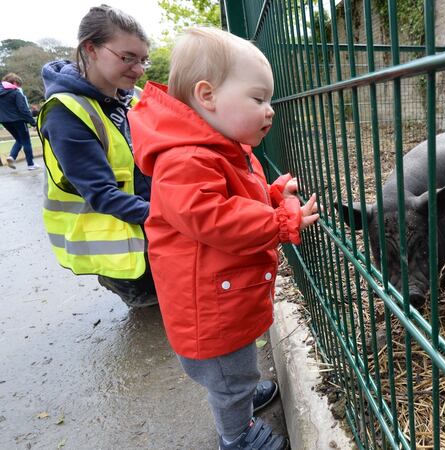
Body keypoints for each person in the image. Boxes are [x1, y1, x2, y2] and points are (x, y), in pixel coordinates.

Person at [128, 27, 319, 450]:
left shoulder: (217, 148)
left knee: (235, 367)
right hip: (208, 309)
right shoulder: (186, 158)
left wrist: (270, 196)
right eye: (258, 99)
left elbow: (233, 199)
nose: (270, 111)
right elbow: (215, 218)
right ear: (207, 95)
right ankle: (237, 435)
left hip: (223, 295)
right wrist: (281, 222)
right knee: (228, 376)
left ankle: (241, 393)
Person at [38, 5, 158, 308]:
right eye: (127, 57)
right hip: (124, 244)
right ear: (90, 48)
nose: (139, 68)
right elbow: (102, 195)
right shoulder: (66, 112)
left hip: (153, 227)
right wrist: (175, 214)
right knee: (155, 306)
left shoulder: (134, 95)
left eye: (143, 59)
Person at [0, 73, 38, 170]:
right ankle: (31, 164)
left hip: (4, 121)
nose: (18, 87)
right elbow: (23, 109)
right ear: (14, 82)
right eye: (18, 85)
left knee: (19, 140)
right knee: (26, 141)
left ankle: (12, 156)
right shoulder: (16, 93)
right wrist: (33, 123)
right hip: (18, 120)